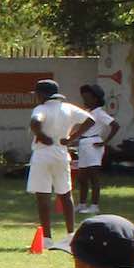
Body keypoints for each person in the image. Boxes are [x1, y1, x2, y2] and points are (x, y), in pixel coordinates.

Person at [27, 79, 93, 243]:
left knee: (43, 196)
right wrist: (72, 138)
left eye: (37, 94)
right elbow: (90, 120)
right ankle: (71, 234)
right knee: (65, 194)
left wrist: (42, 137)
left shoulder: (41, 108)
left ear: (42, 95)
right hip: (61, 153)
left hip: (42, 154)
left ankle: (47, 238)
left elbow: (35, 122)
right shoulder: (68, 108)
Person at [74, 83, 117, 216]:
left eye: (87, 98)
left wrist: (105, 142)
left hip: (93, 144)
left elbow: (115, 125)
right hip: (84, 144)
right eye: (83, 97)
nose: (84, 100)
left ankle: (94, 205)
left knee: (93, 176)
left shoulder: (99, 113)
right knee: (82, 177)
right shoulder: (88, 113)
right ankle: (81, 204)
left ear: (95, 99)